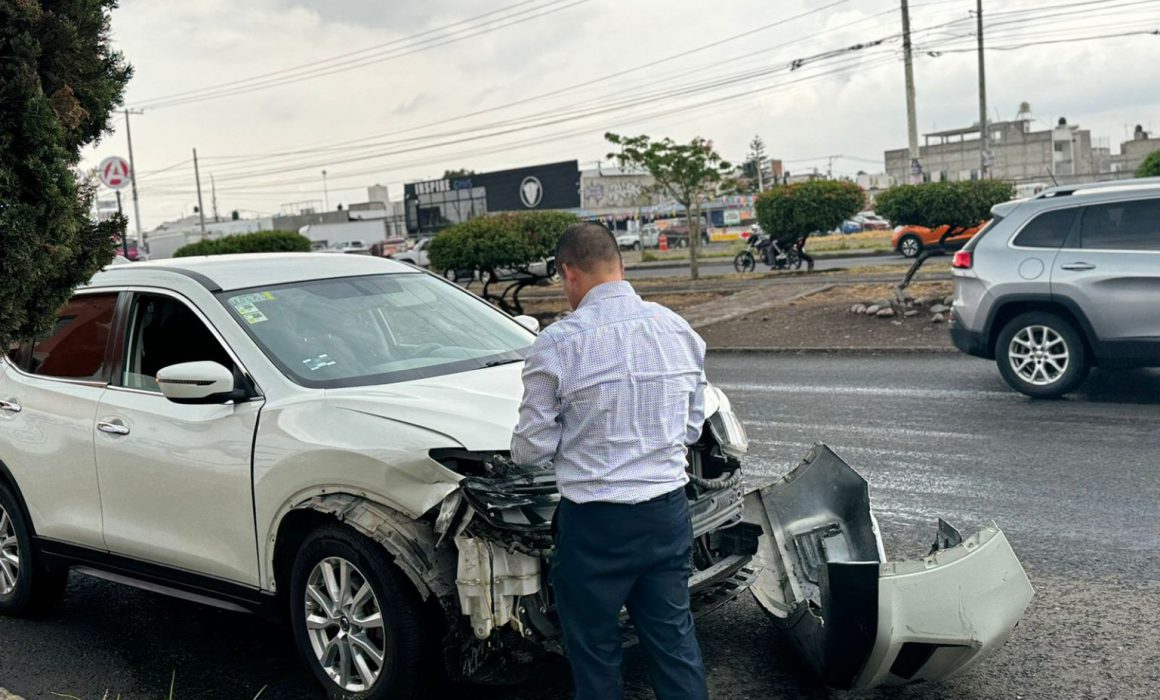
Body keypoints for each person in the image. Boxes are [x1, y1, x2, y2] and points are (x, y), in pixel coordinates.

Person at [511, 223, 710, 700]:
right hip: (667, 514)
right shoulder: (678, 329)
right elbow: (692, 427)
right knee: (674, 641)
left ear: (568, 273)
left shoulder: (557, 345)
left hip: (595, 526)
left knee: (595, 653)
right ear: (620, 265)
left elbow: (530, 450)